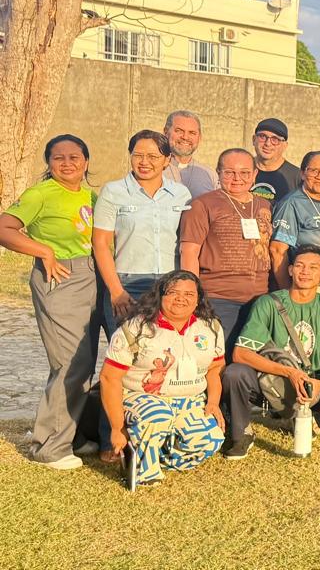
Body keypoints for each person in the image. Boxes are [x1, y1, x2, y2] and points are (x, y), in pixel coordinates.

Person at [0, 135, 98, 470]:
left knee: (86, 363)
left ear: (86, 161)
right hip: (62, 278)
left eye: (75, 156)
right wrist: (43, 251)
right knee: (69, 364)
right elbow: (5, 227)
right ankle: (49, 446)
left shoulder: (92, 195)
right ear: (48, 162)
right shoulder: (40, 194)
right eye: (59, 158)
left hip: (95, 275)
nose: (67, 163)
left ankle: (71, 433)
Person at [92, 129, 192, 456]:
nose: (144, 162)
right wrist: (116, 290)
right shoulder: (114, 192)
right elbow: (101, 244)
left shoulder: (180, 194)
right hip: (128, 285)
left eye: (152, 156)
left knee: (162, 360)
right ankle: (113, 439)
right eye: (138, 154)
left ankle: (159, 436)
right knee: (122, 363)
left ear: (167, 160)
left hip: (168, 287)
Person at [222, 245, 320, 457]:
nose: (305, 272)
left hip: (311, 382)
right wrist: (289, 372)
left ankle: (308, 423)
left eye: (313, 267)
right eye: (299, 266)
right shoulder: (268, 303)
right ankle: (242, 432)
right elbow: (240, 354)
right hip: (269, 379)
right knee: (234, 373)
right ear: (290, 270)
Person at [99, 270, 224, 485]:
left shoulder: (210, 327)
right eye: (173, 292)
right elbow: (109, 378)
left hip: (190, 400)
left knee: (210, 438)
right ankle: (145, 472)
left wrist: (212, 402)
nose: (181, 299)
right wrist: (117, 428)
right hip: (143, 397)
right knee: (158, 417)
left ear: (198, 300)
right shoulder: (136, 328)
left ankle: (156, 456)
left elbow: (215, 368)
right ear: (160, 296)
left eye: (189, 294)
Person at [178, 148, 272, 347]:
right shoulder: (202, 205)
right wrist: (191, 296)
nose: (237, 178)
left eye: (245, 172)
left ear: (255, 175)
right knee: (218, 358)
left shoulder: (265, 205)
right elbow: (189, 252)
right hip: (219, 298)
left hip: (260, 299)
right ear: (218, 173)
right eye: (229, 172)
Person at [270, 150, 320, 294]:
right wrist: (288, 294)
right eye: (314, 171)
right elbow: (277, 251)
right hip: (307, 288)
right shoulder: (291, 203)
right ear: (302, 173)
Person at [162, 110, 216, 196]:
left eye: (192, 133)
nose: (185, 137)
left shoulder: (210, 174)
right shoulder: (153, 169)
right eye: (179, 131)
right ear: (166, 133)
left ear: (199, 137)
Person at [248, 117, 300, 204]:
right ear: (254, 140)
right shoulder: (240, 172)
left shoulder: (297, 177)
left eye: (275, 139)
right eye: (263, 136)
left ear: (284, 146)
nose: (268, 143)